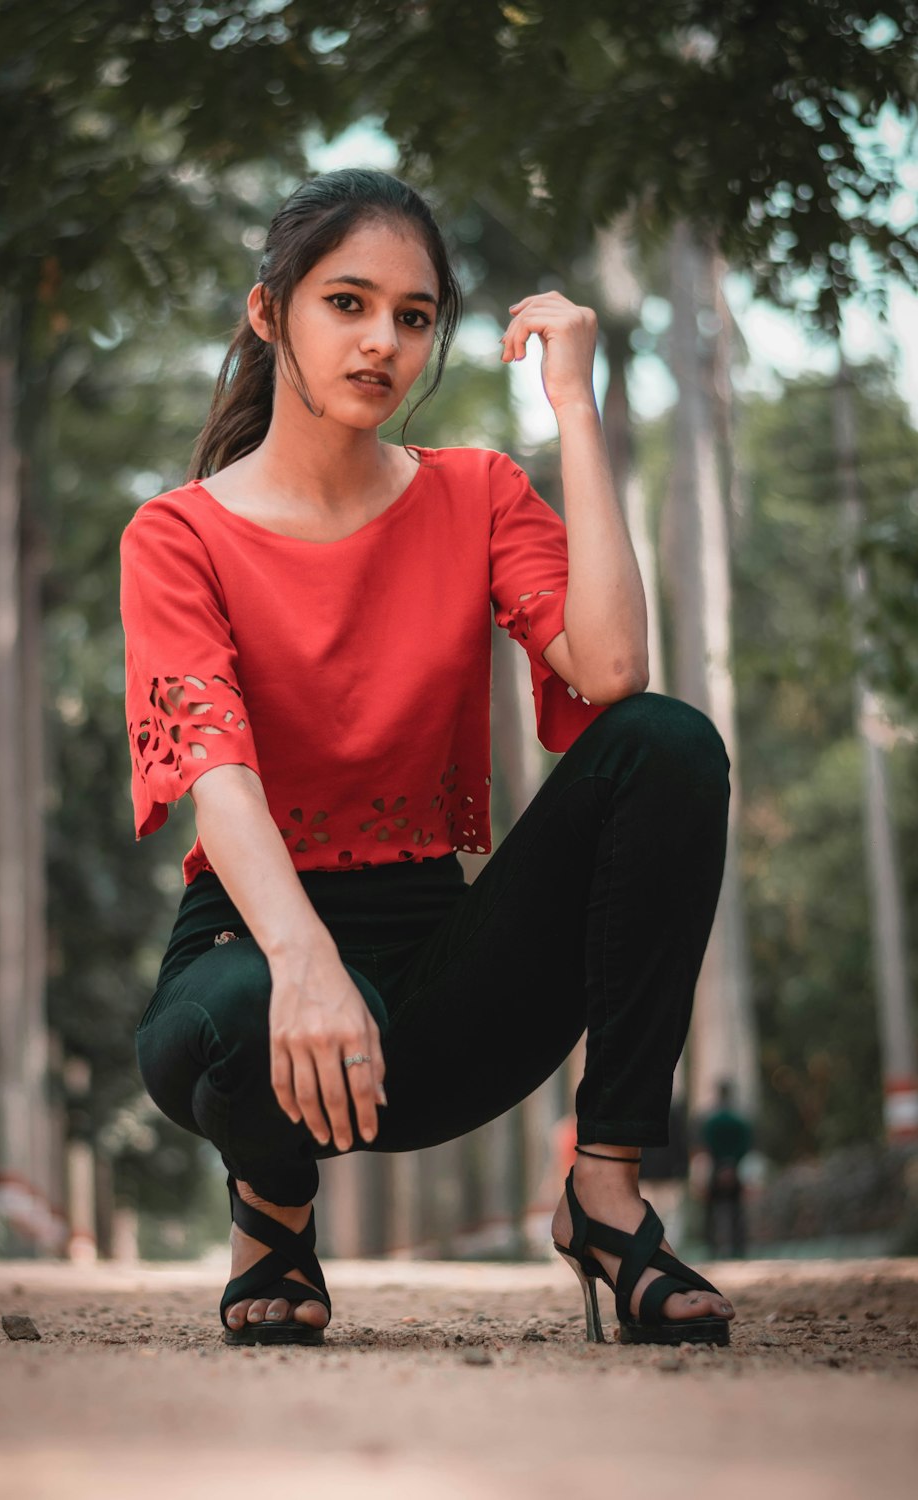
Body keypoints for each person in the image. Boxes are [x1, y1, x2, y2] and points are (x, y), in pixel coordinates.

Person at [119, 167, 737, 1349]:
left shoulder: (476, 492)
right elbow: (217, 769)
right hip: (247, 958)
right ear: (269, 314)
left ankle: (604, 1193)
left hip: (435, 989)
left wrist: (576, 405)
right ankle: (274, 1211)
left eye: (413, 316)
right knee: (245, 1008)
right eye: (346, 303)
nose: (381, 342)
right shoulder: (177, 534)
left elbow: (609, 674)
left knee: (666, 744)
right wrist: (301, 956)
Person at [700, 1079, 754, 1258]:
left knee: (711, 1212)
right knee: (736, 1211)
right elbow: (746, 1145)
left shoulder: (710, 1121)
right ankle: (738, 1248)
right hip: (736, 1169)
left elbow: (706, 1146)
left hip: (716, 1169)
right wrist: (732, 1163)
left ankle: (712, 1248)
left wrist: (720, 1164)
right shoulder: (740, 1121)